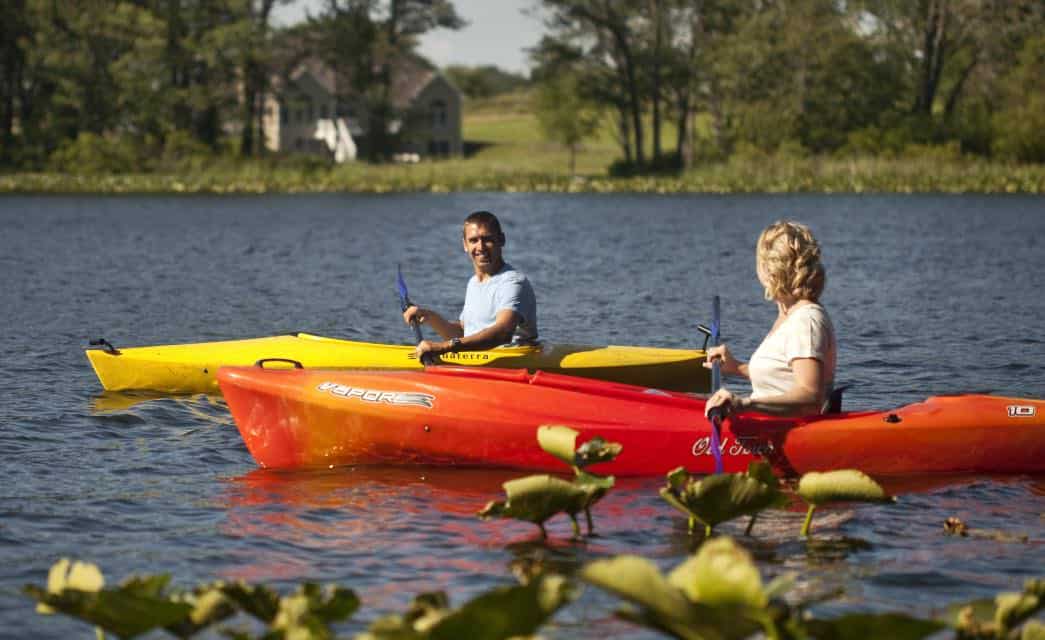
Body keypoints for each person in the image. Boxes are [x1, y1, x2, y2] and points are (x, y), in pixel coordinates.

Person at [704, 220, 836, 418]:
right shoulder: (788, 315)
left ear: (768, 270)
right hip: (770, 427)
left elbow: (810, 397)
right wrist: (738, 367)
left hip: (790, 433)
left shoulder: (805, 321)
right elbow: (783, 376)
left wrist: (743, 403)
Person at [403, 210, 538, 360]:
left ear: (501, 240)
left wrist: (443, 347)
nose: (481, 247)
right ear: (465, 245)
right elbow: (463, 334)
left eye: (487, 239)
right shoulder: (473, 283)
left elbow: (503, 333)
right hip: (479, 360)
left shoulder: (512, 282)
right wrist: (429, 316)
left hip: (511, 363)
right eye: (473, 240)